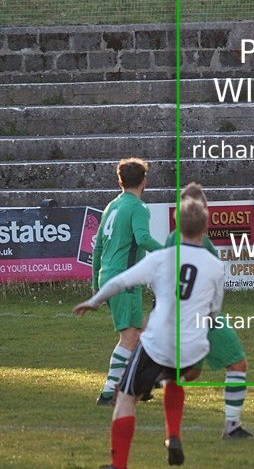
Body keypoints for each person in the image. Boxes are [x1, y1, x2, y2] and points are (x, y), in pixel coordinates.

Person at [74, 197, 225, 469]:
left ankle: (118, 465)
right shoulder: (215, 266)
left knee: (125, 397)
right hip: (192, 347)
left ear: (176, 227)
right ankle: (173, 436)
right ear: (204, 228)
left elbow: (121, 281)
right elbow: (213, 314)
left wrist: (93, 301)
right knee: (173, 377)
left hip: (158, 344)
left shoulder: (160, 259)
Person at [163, 182, 254, 439]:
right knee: (237, 363)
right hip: (204, 316)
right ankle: (232, 426)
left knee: (190, 372)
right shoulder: (201, 242)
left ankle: (146, 379)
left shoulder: (172, 238)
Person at [92, 158, 163, 405]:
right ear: (144, 181)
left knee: (143, 334)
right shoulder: (137, 207)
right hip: (125, 278)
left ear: (119, 180)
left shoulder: (111, 206)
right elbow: (143, 238)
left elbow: (98, 246)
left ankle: (141, 385)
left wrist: (95, 282)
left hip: (109, 275)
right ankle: (110, 392)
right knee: (130, 337)